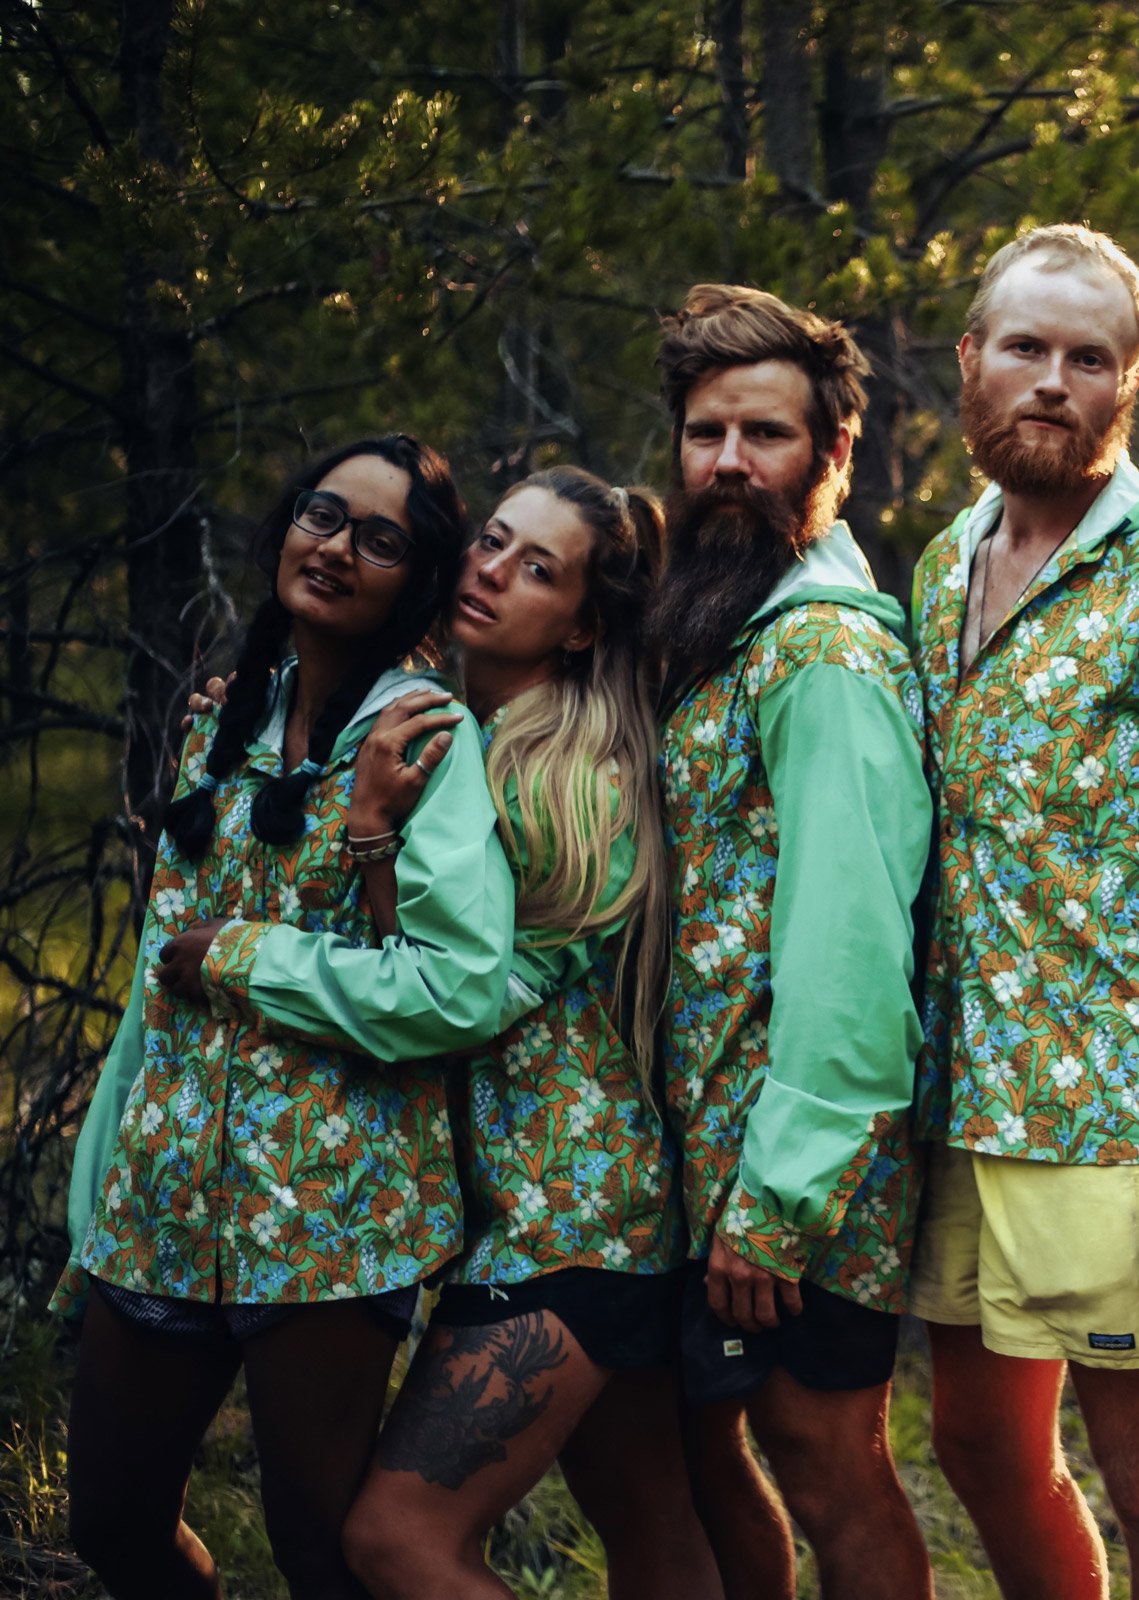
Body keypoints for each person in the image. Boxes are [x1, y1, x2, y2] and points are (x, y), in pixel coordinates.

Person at [53, 436, 516, 1599]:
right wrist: (99, 1187)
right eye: (323, 514)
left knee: (320, 1550)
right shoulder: (227, 719)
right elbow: (157, 980)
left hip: (330, 1213)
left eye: (381, 538)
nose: (338, 548)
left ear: (417, 581)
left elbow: (458, 986)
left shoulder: (426, 739)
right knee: (113, 1521)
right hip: (161, 1198)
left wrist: (251, 959)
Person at [907, 224, 1139, 1600]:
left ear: (1130, 381)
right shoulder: (942, 564)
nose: (1052, 382)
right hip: (957, 1100)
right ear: (972, 360)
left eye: (1088, 358)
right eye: (1025, 348)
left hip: (1116, 1114)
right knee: (976, 1446)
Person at [335, 467, 719, 1597]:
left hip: (563, 1223)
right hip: (595, 1214)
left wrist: (370, 841)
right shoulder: (484, 729)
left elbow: (452, 1001)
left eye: (537, 568)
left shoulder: (556, 775)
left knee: (396, 1539)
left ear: (584, 624)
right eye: (493, 540)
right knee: (652, 1525)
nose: (492, 571)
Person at [652, 285, 934, 1600]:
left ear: (833, 454)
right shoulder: (725, 618)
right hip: (704, 1149)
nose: (728, 463)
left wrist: (781, 1199)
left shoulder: (823, 653)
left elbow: (853, 949)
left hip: (797, 1163)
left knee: (824, 1463)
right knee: (706, 1457)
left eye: (764, 435)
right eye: (705, 433)